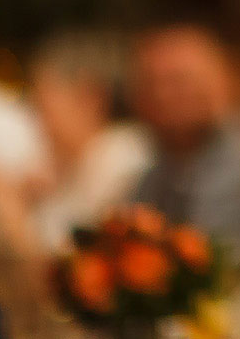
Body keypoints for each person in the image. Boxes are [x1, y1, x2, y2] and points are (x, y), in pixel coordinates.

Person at [127, 24, 240, 266]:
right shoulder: (155, 169)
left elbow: (214, 269)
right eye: (150, 82)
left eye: (179, 81)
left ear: (226, 81)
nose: (162, 95)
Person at [28, 32, 153, 253]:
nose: (39, 122)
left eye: (44, 107)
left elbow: (71, 255)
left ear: (89, 97)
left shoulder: (122, 156)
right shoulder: (81, 159)